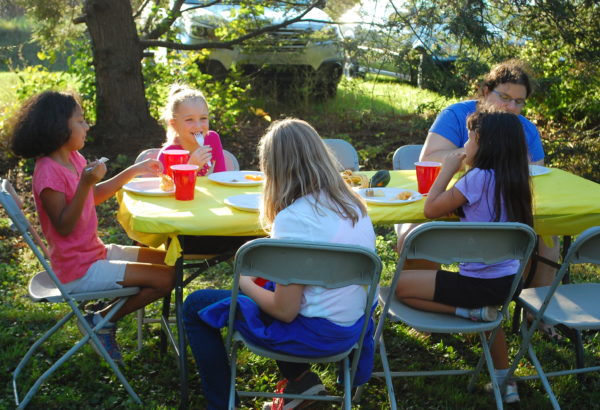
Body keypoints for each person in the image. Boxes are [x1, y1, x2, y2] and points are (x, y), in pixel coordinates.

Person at [182, 118, 377, 410]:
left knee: (196, 305)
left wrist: (242, 282)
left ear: (272, 168)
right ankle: (302, 384)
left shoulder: (294, 218)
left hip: (315, 335)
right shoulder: (354, 204)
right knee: (270, 285)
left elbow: (285, 312)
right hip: (352, 327)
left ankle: (221, 404)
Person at [9, 91, 175, 362]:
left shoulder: (73, 158)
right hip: (78, 269)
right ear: (59, 127)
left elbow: (92, 196)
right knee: (167, 279)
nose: (86, 126)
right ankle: (102, 320)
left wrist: (133, 171)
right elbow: (64, 226)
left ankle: (102, 318)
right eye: (80, 121)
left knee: (171, 261)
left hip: (93, 252)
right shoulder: (48, 172)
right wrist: (86, 183)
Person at [398, 59, 559, 336]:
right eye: (505, 97)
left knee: (548, 239)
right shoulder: (457, 115)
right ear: (485, 91)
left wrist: (470, 169)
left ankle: (535, 313)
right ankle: (434, 315)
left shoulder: (522, 130)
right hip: (492, 258)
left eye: (519, 102)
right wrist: (479, 159)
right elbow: (430, 159)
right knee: (414, 236)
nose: (511, 107)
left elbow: (536, 172)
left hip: (477, 216)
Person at [395, 109, 533, 403]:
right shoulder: (518, 179)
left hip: (477, 285)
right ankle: (505, 383)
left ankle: (466, 312)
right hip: (510, 282)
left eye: (469, 139)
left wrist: (447, 169)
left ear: (482, 142)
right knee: (490, 312)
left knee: (399, 286)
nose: (464, 146)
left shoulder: (477, 178)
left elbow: (430, 209)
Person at [158, 84, 227, 176]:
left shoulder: (212, 139)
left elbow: (221, 176)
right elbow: (167, 184)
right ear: (174, 124)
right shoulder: (168, 154)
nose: (198, 126)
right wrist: (191, 167)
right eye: (189, 120)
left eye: (203, 118)